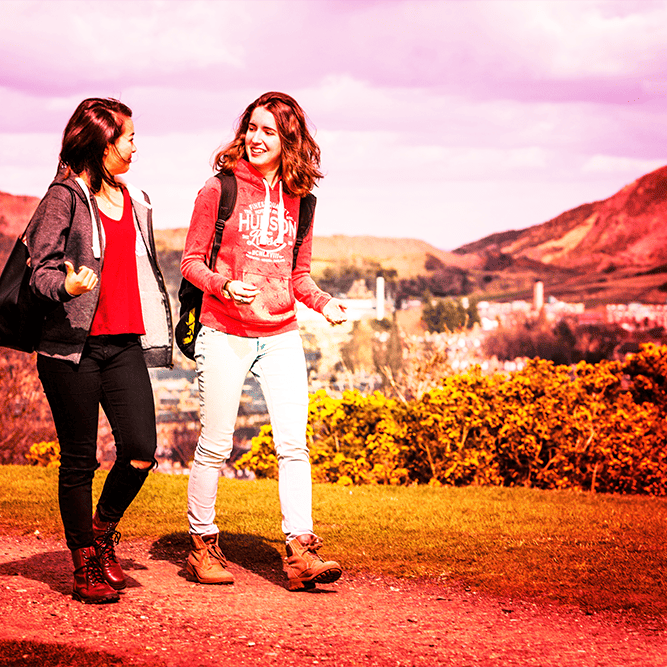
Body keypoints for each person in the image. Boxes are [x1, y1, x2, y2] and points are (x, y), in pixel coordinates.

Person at [181, 91, 347, 590]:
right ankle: (203, 545)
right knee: (215, 445)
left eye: (268, 131)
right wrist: (224, 284)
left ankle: (300, 552)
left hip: (280, 335)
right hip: (224, 329)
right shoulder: (220, 189)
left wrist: (323, 303)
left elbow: (298, 276)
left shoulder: (303, 200)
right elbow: (191, 262)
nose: (256, 138)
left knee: (294, 445)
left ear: (287, 140)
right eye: (251, 127)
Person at [26, 98, 173, 604]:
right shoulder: (63, 197)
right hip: (72, 349)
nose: (135, 146)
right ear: (102, 143)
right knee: (80, 460)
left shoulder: (136, 200)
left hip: (124, 343)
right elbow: (39, 270)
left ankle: (103, 532)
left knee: (139, 450)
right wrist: (65, 285)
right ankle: (84, 560)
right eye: (128, 138)